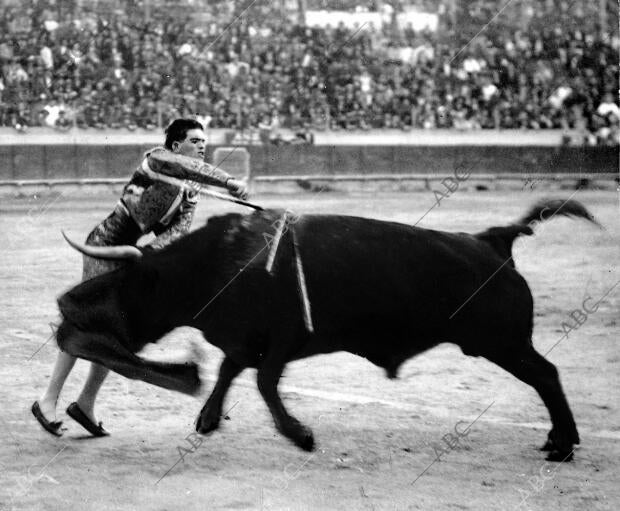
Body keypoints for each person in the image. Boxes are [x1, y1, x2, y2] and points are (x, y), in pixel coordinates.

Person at [32, 118, 247, 437]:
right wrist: (229, 181)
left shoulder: (192, 188)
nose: (203, 145)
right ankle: (47, 400)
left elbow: (177, 230)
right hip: (104, 245)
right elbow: (193, 170)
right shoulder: (159, 159)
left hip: (128, 253)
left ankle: (85, 404)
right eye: (195, 140)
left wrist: (151, 255)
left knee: (114, 330)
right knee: (86, 322)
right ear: (177, 145)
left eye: (204, 141)